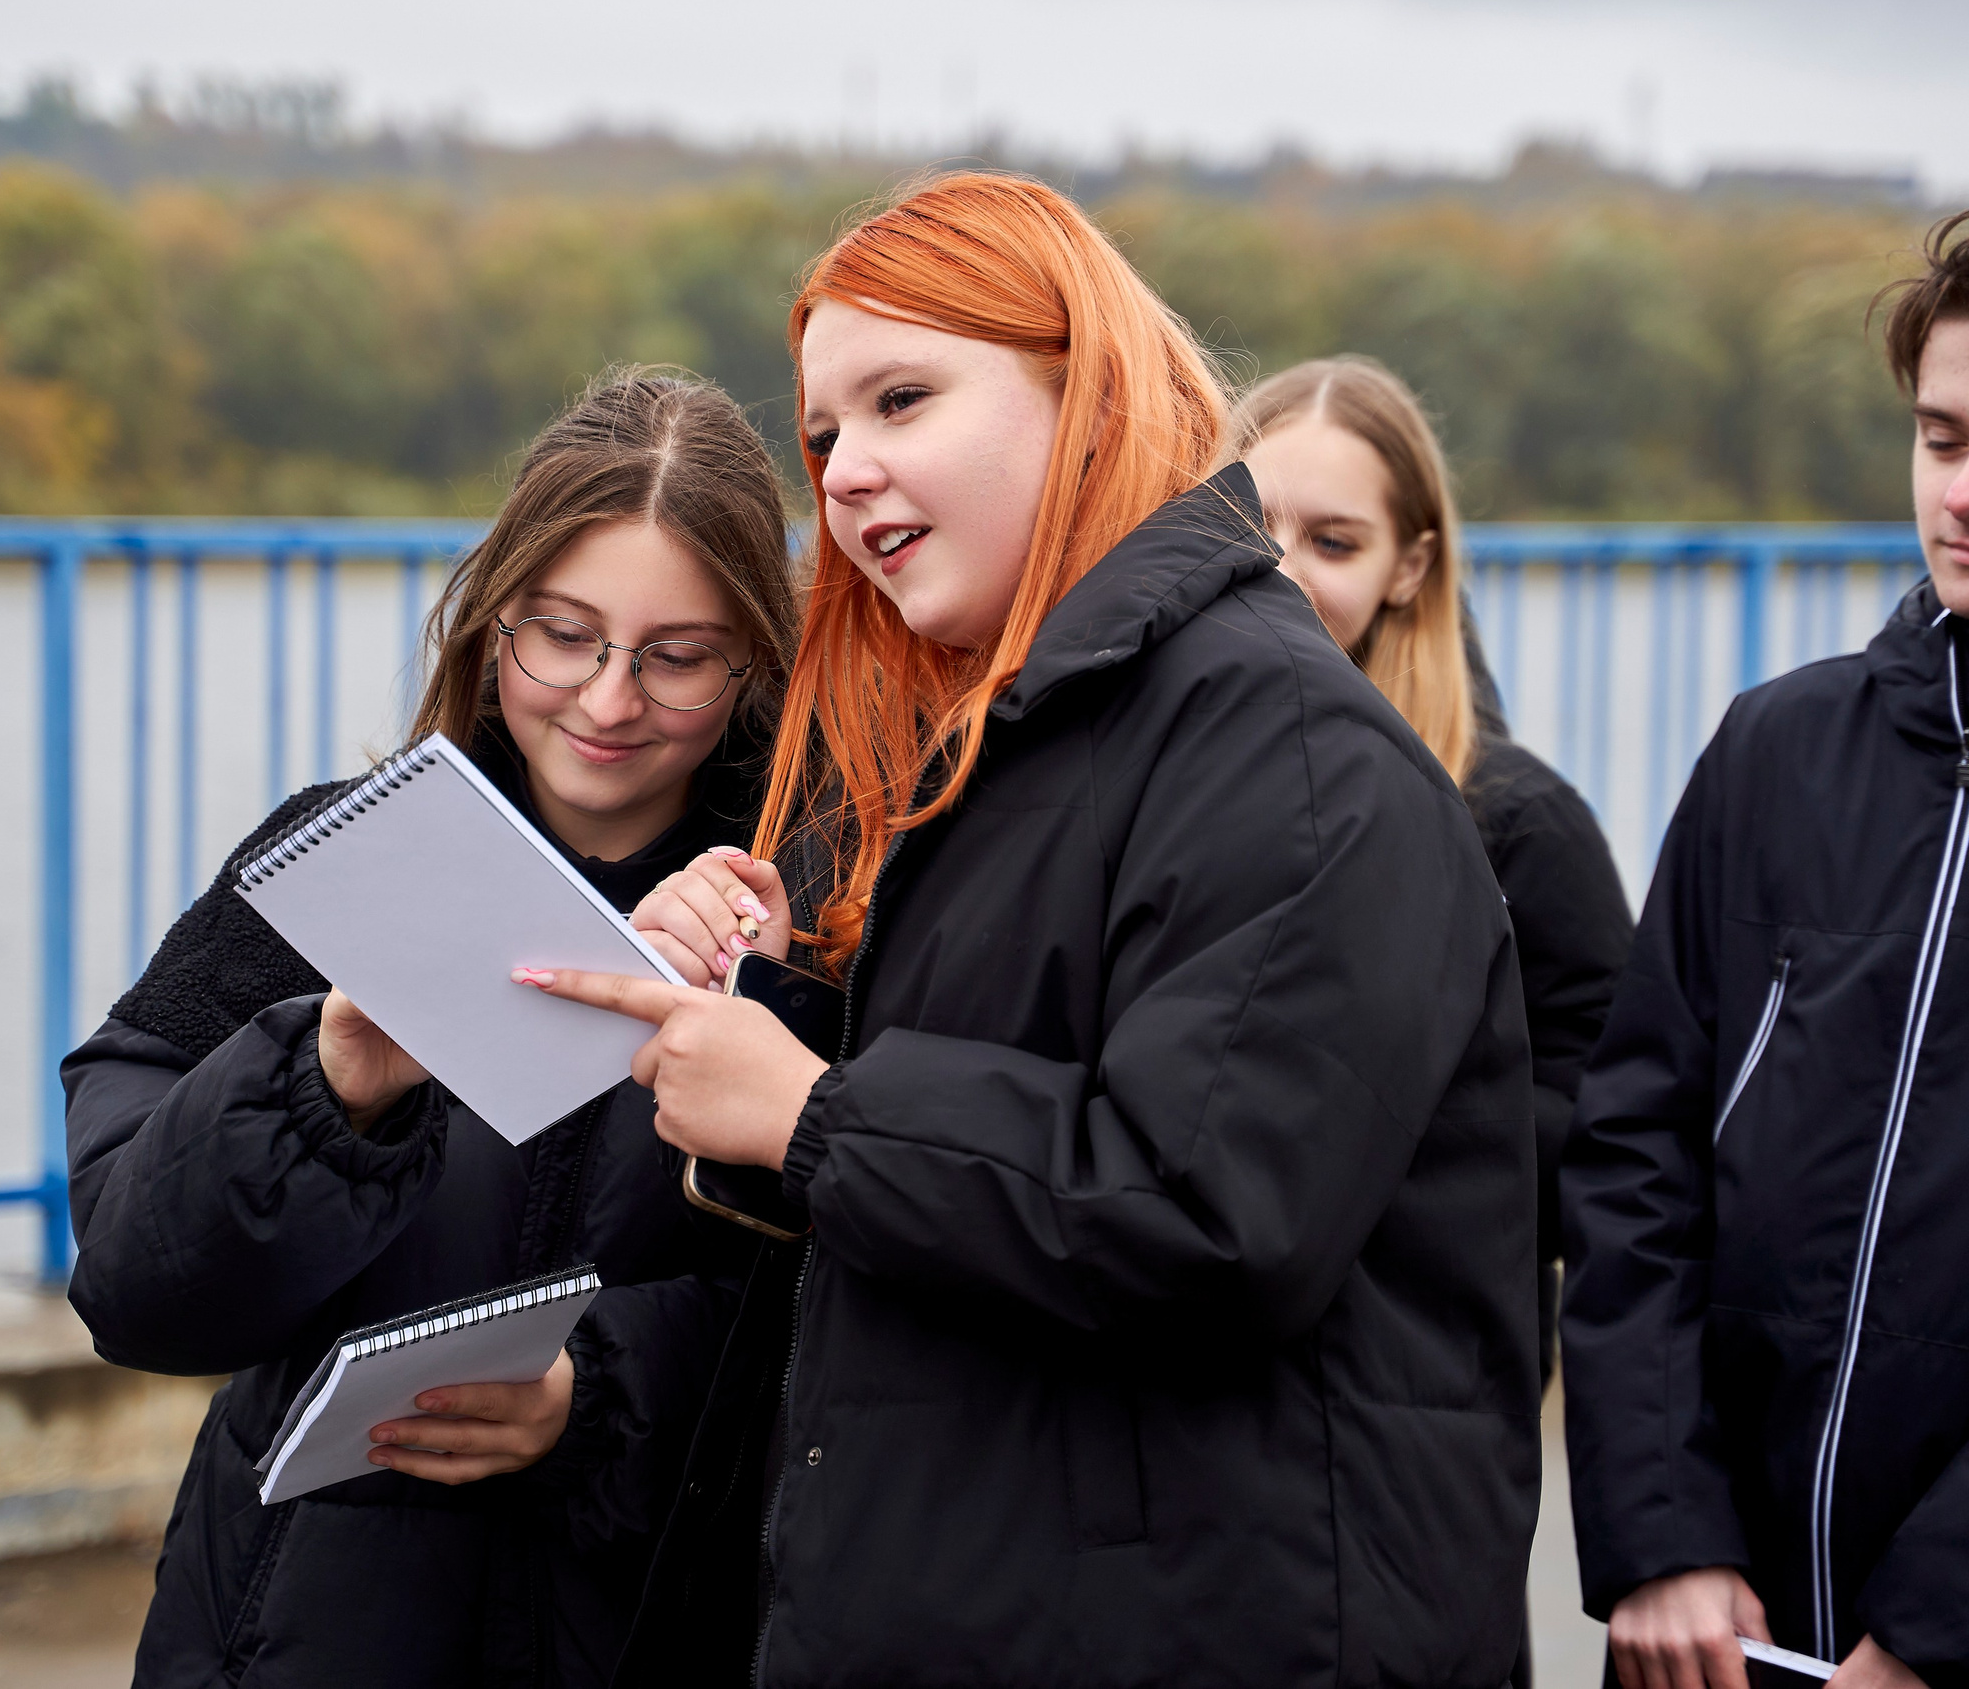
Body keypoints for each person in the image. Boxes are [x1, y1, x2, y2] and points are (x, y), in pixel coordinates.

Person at [528, 172, 1539, 1687]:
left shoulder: (1284, 748)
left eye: (904, 399)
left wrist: (808, 1108)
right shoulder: (1016, 740)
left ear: (1091, 392)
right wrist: (764, 1002)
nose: (849, 471)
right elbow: (991, 1152)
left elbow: (1211, 1207)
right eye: (825, 434)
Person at [60, 367, 802, 1689]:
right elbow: (133, 1287)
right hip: (302, 1628)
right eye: (562, 633)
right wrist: (329, 1075)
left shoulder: (820, 914)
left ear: (754, 663)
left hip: (644, 1621)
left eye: (677, 654)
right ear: (492, 616)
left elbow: (858, 1317)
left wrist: (597, 1391)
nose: (608, 698)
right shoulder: (332, 861)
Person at [1559, 215, 1969, 1689]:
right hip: (1719, 1637)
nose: (1962, 492)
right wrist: (1661, 1529)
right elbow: (1636, 1150)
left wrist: (1933, 1629)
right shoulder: (1780, 747)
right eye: (1942, 436)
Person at [1237, 354, 1635, 1396]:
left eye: (1333, 542)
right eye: (1250, 523)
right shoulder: (1145, 785)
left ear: (1408, 569)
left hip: (1411, 1392)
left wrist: (1358, 1148)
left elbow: (1612, 1131)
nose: (1281, 568)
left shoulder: (1518, 823)